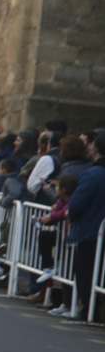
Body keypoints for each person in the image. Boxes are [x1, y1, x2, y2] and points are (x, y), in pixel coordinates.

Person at [65, 136, 105, 321]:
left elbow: (77, 204)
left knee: (85, 274)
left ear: (95, 149)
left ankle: (89, 311)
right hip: (96, 230)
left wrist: (70, 215)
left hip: (90, 232)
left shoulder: (93, 174)